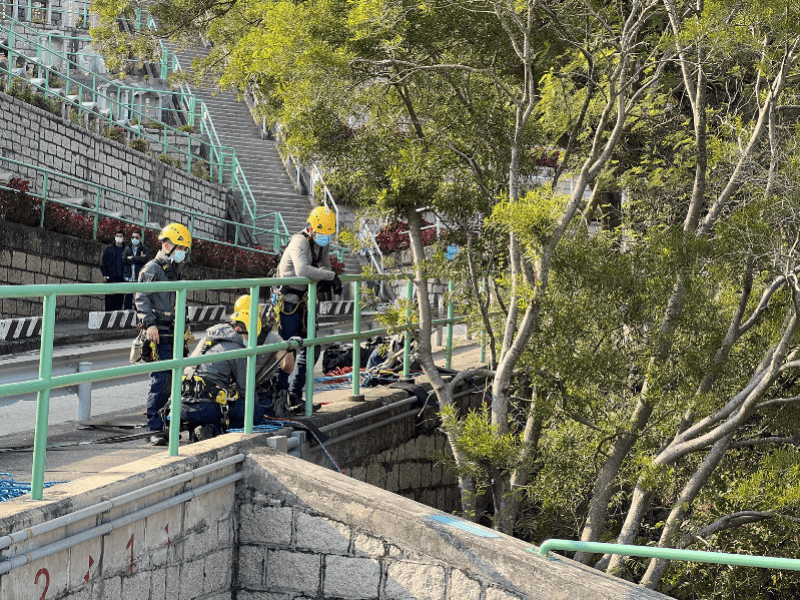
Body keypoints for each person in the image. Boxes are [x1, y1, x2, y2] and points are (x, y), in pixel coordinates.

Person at [180, 309, 295, 440]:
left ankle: (198, 428)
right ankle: (212, 429)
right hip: (205, 407)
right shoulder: (236, 349)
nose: (250, 342)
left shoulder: (206, 341)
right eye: (249, 336)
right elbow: (245, 389)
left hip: (181, 405)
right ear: (240, 330)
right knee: (256, 413)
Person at [274, 206, 342, 413]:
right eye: (322, 234)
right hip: (287, 302)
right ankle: (279, 398)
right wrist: (329, 277)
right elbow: (302, 269)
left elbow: (324, 267)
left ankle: (294, 394)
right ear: (312, 229)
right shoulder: (299, 242)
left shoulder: (321, 245)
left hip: (304, 302)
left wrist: (328, 277)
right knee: (288, 352)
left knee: (312, 346)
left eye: (328, 236)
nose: (325, 239)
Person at [134, 222, 192, 446]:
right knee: (160, 381)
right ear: (167, 245)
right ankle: (154, 428)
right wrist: (149, 325)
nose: (182, 253)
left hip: (173, 331)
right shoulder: (152, 269)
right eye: (180, 248)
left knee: (174, 380)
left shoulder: (176, 271)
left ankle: (168, 425)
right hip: (157, 331)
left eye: (185, 250)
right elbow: (141, 297)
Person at [122, 231, 150, 310]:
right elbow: (124, 259)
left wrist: (133, 258)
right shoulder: (127, 248)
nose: (134, 239)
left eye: (136, 238)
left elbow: (145, 259)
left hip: (139, 278)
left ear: (140, 239)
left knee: (139, 299)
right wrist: (138, 259)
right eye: (133, 237)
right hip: (129, 278)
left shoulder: (144, 249)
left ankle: (138, 317)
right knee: (128, 298)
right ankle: (127, 316)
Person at [100, 228, 127, 311]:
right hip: (111, 278)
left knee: (119, 301)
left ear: (123, 238)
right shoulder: (109, 249)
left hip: (121, 279)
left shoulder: (126, 250)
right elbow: (103, 263)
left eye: (120, 236)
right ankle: (108, 320)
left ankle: (116, 321)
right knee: (109, 301)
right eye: (117, 236)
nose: (118, 238)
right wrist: (104, 275)